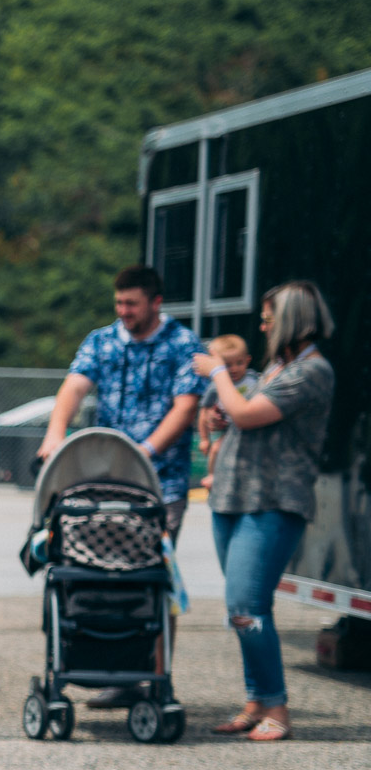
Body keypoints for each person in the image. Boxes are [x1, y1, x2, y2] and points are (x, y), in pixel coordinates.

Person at [189, 282, 336, 743]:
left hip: (272, 502)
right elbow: (243, 414)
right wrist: (219, 418)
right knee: (242, 609)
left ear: (291, 319)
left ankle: (277, 707)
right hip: (233, 497)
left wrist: (218, 376)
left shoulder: (312, 372)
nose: (262, 325)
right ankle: (256, 702)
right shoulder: (277, 367)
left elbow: (250, 414)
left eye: (269, 317)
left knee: (247, 606)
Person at [38, 265, 208, 537]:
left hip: (162, 484)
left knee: (149, 568)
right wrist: (55, 434)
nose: (123, 311)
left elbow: (186, 407)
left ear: (156, 303)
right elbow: (74, 387)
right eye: (119, 303)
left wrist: (143, 453)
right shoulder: (101, 340)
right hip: (105, 478)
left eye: (132, 304)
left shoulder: (184, 343)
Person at [197, 333, 258, 489]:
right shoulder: (217, 383)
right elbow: (204, 411)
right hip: (229, 429)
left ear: (247, 360)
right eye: (228, 365)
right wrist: (204, 438)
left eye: (239, 363)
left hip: (252, 427)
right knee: (217, 448)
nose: (234, 369)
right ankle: (212, 475)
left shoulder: (254, 380)